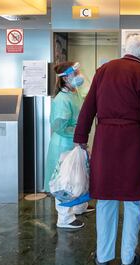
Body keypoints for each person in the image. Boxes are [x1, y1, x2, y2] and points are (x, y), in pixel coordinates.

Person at [73, 35, 140, 265]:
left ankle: (102, 257)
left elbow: (88, 106)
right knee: (133, 202)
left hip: (105, 141)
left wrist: (81, 138)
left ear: (126, 50)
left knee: (105, 200)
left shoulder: (103, 71)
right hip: (133, 143)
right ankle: (127, 260)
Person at [44, 62, 95, 229]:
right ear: (65, 78)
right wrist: (79, 132)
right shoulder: (62, 99)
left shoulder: (75, 93)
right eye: (76, 73)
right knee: (64, 181)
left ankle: (80, 207)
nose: (79, 76)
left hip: (76, 143)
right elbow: (59, 126)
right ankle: (64, 218)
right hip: (64, 145)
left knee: (79, 176)